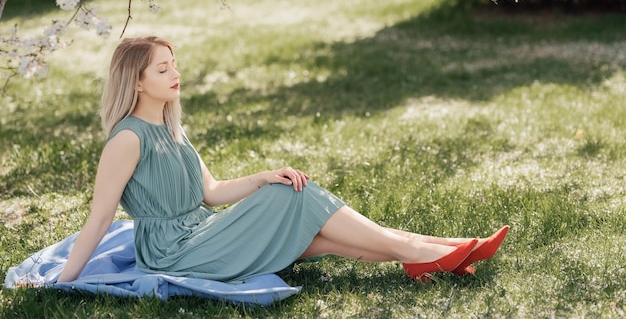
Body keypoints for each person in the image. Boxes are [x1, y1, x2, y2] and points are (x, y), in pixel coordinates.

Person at [57, 35, 509, 285]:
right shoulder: (126, 140)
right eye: (162, 69)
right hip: (174, 253)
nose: (176, 74)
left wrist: (260, 177)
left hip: (202, 232)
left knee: (320, 234)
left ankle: (437, 248)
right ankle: (424, 252)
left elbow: (211, 194)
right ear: (135, 83)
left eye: (174, 64)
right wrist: (62, 280)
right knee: (293, 196)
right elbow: (99, 220)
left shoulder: (173, 128)